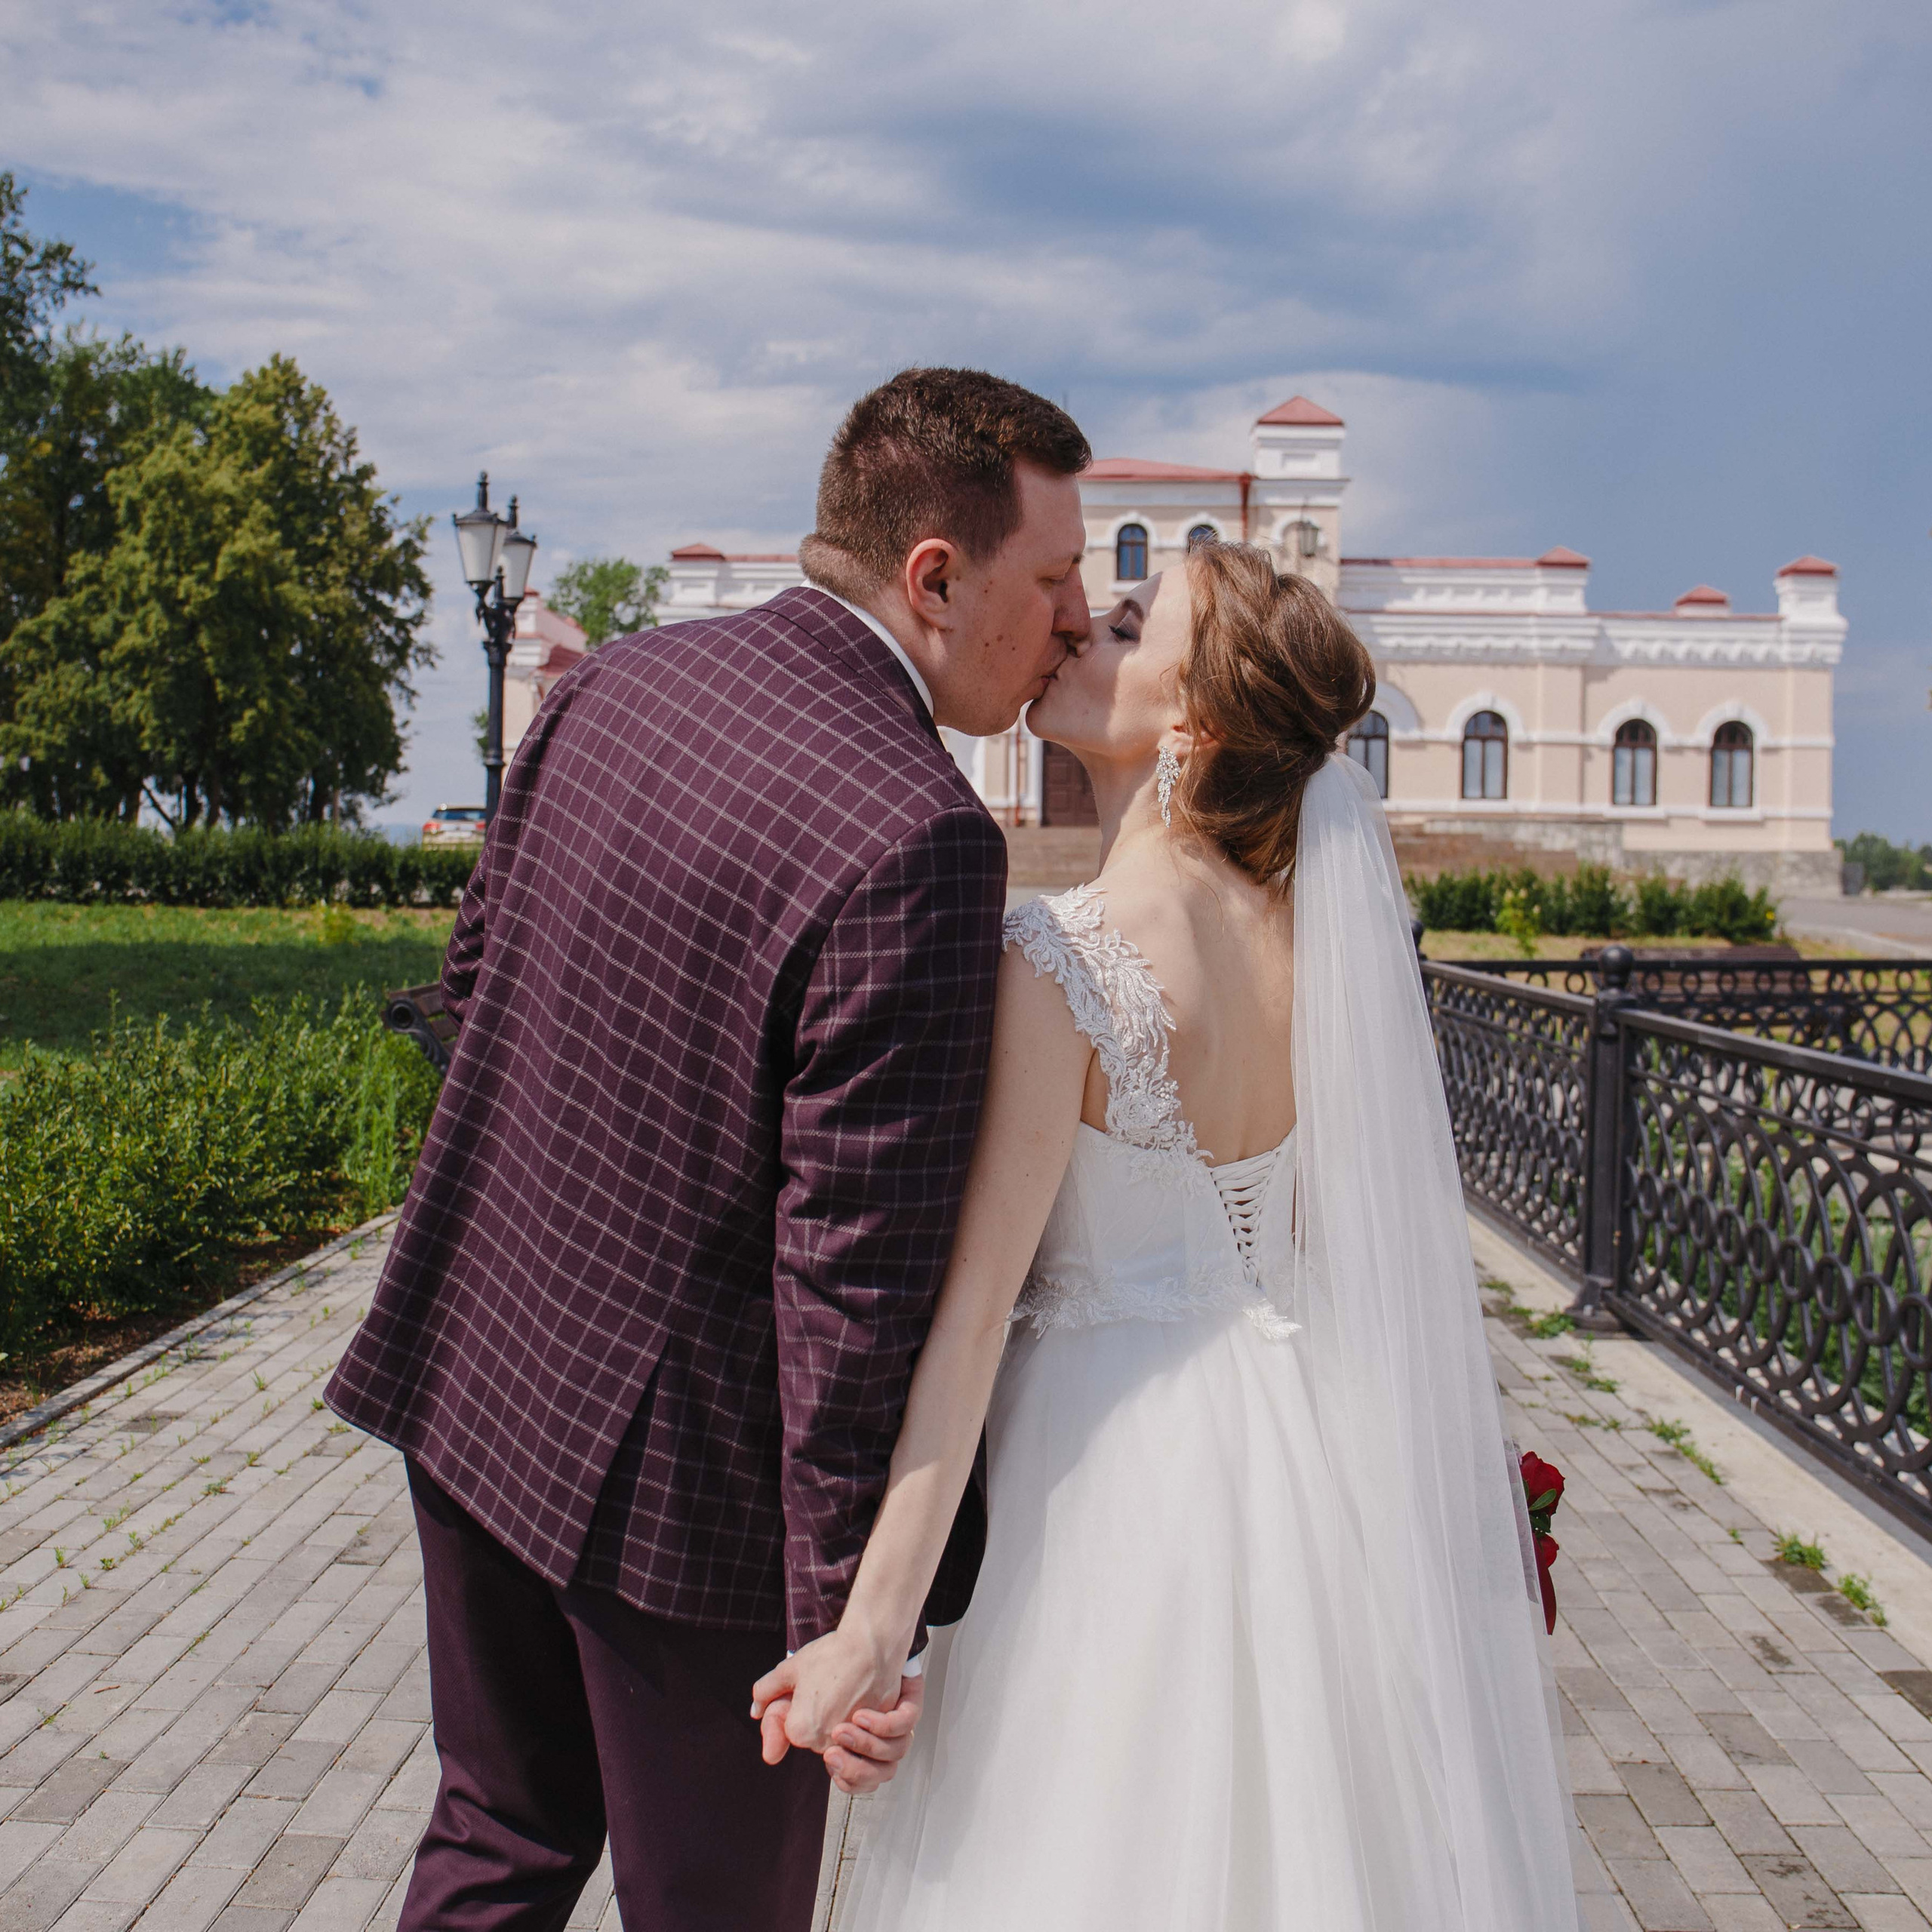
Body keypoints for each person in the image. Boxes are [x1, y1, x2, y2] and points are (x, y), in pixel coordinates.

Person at [324, 367, 1092, 1932]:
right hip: (686, 1502)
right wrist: (840, 1624)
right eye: (1056, 578)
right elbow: (847, 1278)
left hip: (472, 1373)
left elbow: (473, 987)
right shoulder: (915, 829)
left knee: (495, 1832)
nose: (1077, 620)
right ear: (934, 580)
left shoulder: (617, 681)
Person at [755, 543, 1581, 1929]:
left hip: (1103, 1506)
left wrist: (872, 1630)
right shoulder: (1320, 953)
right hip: (1311, 1474)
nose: (1084, 626)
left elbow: (966, 1334)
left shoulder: (1064, 957)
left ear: (1188, 724)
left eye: (1134, 626)